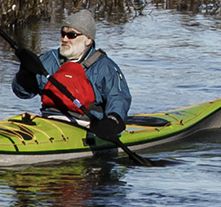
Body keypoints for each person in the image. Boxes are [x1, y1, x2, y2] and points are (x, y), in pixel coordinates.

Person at [12, 9, 133, 138]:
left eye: (71, 35)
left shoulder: (104, 67)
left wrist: (113, 120)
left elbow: (118, 98)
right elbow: (23, 93)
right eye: (62, 33)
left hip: (86, 126)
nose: (64, 39)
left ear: (88, 40)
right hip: (49, 122)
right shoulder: (48, 60)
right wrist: (25, 73)